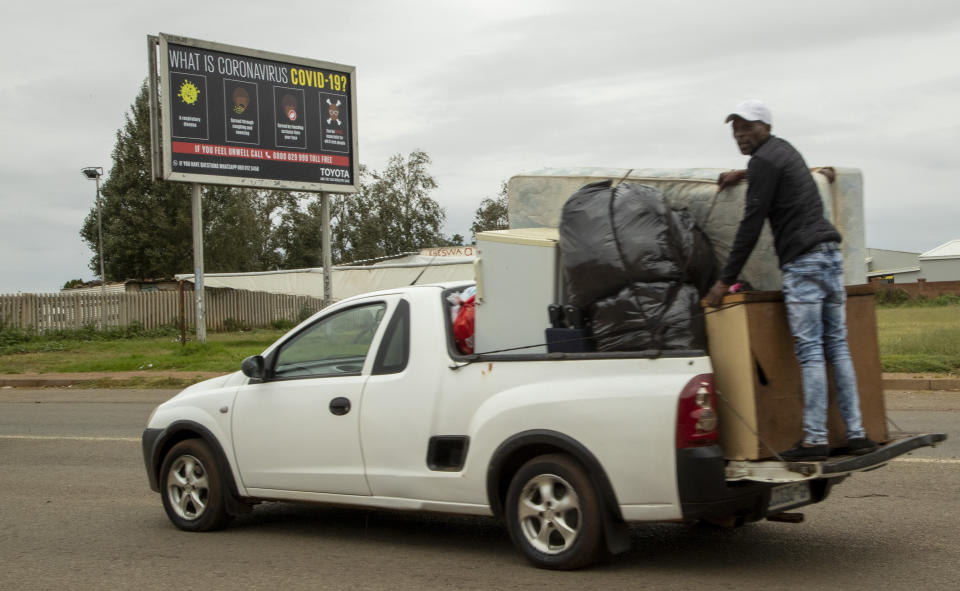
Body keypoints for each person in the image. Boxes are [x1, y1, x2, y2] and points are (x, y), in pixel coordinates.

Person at [704, 99, 877, 461]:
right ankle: (857, 433)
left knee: (811, 351)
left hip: (803, 263)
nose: (740, 134)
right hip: (830, 256)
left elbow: (751, 225)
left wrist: (724, 281)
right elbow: (773, 175)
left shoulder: (763, 161)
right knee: (838, 347)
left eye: (747, 127)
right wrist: (743, 174)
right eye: (735, 129)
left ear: (765, 127)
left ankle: (815, 439)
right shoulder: (785, 152)